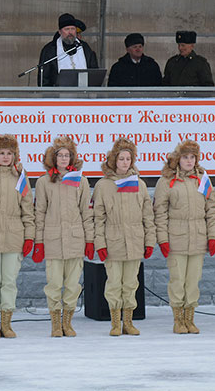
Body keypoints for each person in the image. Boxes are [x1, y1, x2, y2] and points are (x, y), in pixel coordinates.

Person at [92, 137, 155, 336]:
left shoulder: (140, 185)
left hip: (135, 242)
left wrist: (149, 241)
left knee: (131, 284)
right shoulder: (103, 186)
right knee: (113, 284)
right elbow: (98, 218)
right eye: (121, 159)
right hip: (113, 243)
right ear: (114, 160)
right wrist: (100, 244)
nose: (125, 162)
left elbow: (148, 216)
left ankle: (128, 321)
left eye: (128, 159)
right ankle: (115, 323)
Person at [153, 140, 215, 334]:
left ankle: (190, 319)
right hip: (177, 239)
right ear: (177, 159)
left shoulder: (203, 180)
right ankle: (178, 320)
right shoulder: (166, 181)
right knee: (177, 280)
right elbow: (160, 213)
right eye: (185, 157)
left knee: (193, 281)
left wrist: (212, 237)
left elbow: (211, 210)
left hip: (198, 238)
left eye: (192, 157)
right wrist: (163, 240)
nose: (189, 161)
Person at [33, 136, 94, 337]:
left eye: (67, 155)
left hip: (75, 240)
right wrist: (39, 242)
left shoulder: (81, 181)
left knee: (72, 285)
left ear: (72, 158)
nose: (64, 158)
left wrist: (90, 240)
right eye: (60, 155)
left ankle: (67, 322)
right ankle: (55, 324)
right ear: (53, 158)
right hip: (53, 241)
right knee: (54, 284)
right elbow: (39, 213)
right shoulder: (44, 182)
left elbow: (86, 213)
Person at [0, 135, 36, 338]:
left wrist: (29, 237)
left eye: (9, 153)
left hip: (14, 236)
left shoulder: (20, 178)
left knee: (9, 281)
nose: (5, 157)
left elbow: (27, 209)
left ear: (14, 156)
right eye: (1, 153)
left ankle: (7, 324)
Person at [38, 13, 99, 86]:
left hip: (83, 91)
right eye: (67, 29)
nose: (70, 32)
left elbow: (94, 72)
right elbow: (44, 79)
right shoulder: (50, 50)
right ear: (60, 31)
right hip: (58, 92)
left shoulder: (84, 47)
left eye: (72, 29)